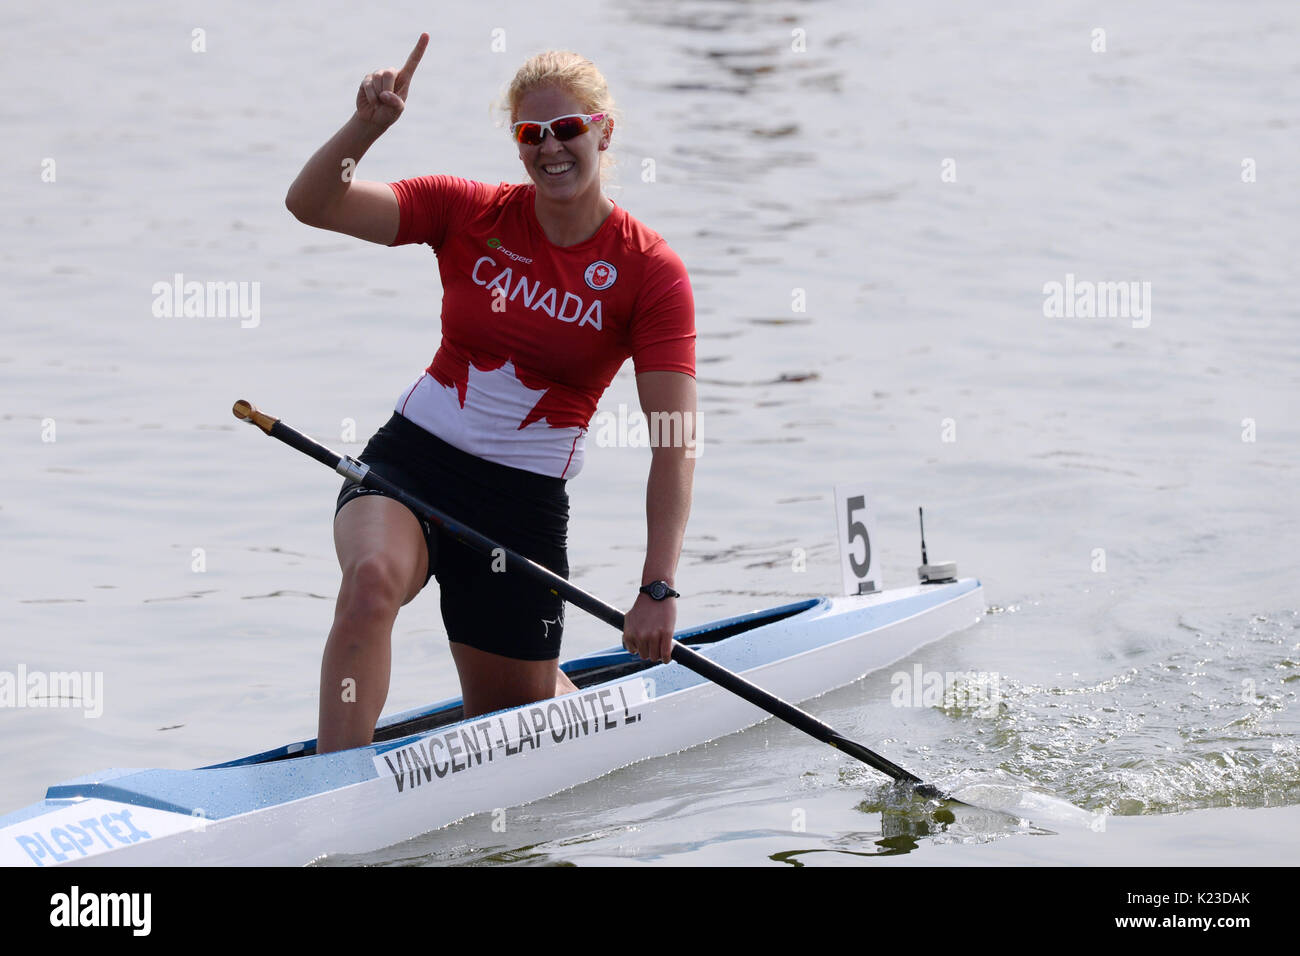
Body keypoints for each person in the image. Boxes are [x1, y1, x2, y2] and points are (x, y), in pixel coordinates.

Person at [284, 34, 697, 754]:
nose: (550, 148)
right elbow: (312, 204)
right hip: (411, 468)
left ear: (603, 129)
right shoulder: (464, 212)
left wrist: (656, 588)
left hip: (520, 508)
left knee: (512, 725)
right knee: (372, 582)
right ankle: (328, 796)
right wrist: (367, 128)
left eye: (566, 129)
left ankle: (570, 700)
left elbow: (675, 440)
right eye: (530, 134)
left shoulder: (651, 272)